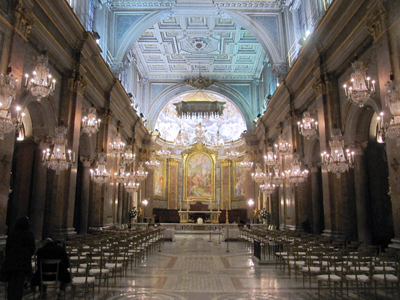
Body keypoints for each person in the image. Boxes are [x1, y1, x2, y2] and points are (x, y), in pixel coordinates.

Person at [0, 216, 35, 300]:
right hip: (22, 263)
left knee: (11, 283)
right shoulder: (28, 234)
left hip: (11, 262)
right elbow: (32, 248)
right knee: (19, 284)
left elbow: (7, 248)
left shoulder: (12, 234)